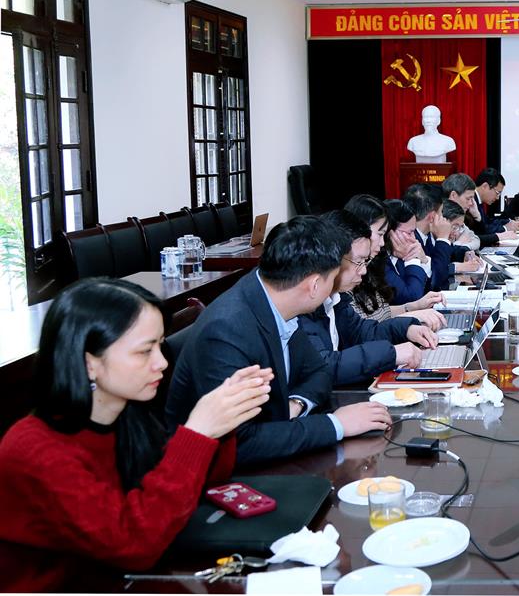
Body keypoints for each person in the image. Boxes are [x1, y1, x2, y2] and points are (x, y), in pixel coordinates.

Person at [0, 278, 271, 590]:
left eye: (160, 344)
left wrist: (223, 421)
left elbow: (192, 489)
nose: (162, 362)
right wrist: (198, 433)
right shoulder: (33, 449)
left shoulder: (128, 412)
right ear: (89, 364)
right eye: (145, 351)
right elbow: (134, 544)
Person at [165, 216, 394, 466]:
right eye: (333, 277)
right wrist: (336, 425)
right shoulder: (227, 331)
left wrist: (295, 404)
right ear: (314, 285)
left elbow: (318, 372)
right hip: (215, 472)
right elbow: (242, 443)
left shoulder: (274, 299)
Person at [299, 211, 440, 387]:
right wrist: (391, 354)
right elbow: (325, 365)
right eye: (359, 262)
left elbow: (364, 333)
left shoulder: (336, 299)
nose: (364, 270)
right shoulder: (306, 305)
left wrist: (406, 329)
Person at [377, 198, 445, 313]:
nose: (414, 238)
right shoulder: (380, 262)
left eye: (414, 232)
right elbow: (413, 298)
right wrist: (412, 259)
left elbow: (430, 291)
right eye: (409, 233)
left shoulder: (399, 253)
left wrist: (424, 261)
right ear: (388, 233)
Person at [401, 184, 456, 291]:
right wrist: (443, 238)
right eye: (441, 212)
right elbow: (438, 280)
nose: (443, 217)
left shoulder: (426, 235)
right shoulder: (410, 240)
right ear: (432, 217)